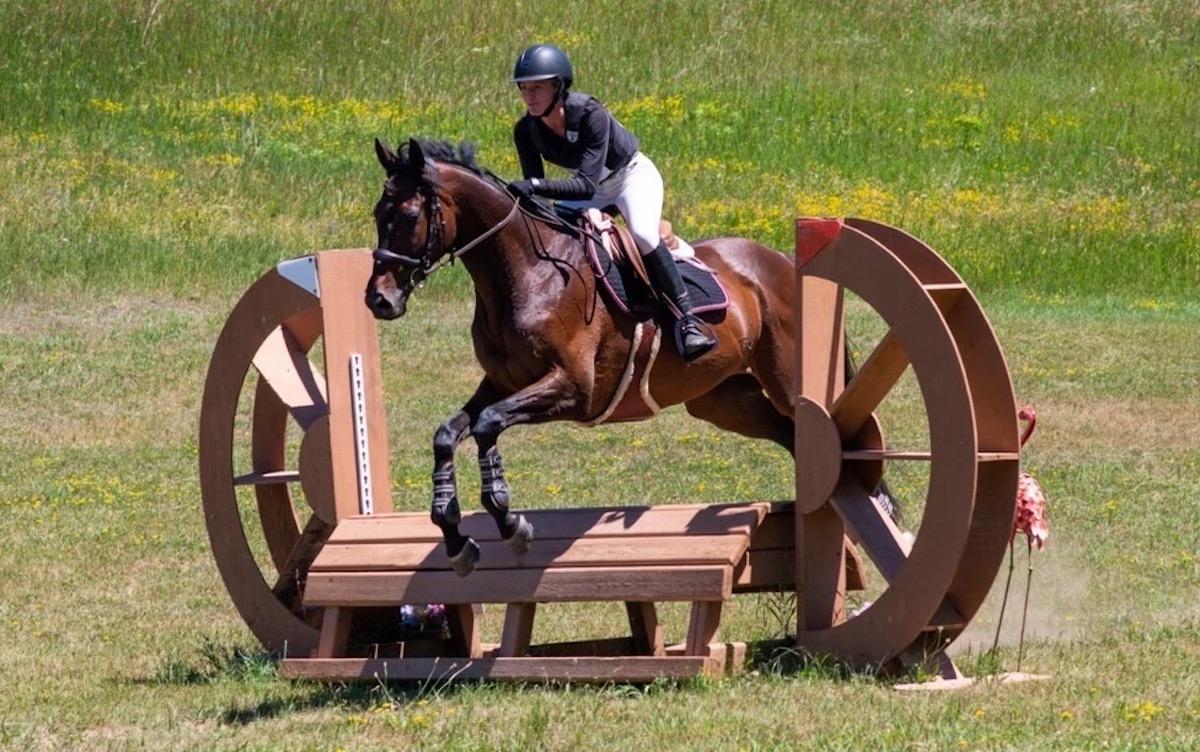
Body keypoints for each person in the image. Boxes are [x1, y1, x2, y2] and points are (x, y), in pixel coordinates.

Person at [506, 43, 717, 362]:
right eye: (524, 88)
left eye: (538, 87)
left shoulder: (591, 114)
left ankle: (688, 321)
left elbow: (582, 184)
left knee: (644, 235)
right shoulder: (526, 130)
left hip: (631, 176)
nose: (529, 96)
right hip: (591, 189)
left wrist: (534, 185)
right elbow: (537, 196)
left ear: (558, 86)